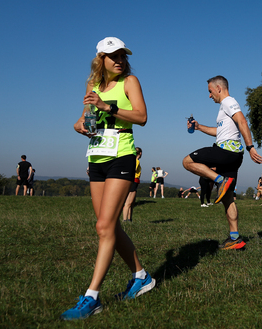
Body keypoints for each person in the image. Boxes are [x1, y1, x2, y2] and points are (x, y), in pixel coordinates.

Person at [62, 37, 155, 320]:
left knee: (104, 226)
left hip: (122, 156)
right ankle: (141, 276)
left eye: (122, 55)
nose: (119, 60)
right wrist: (80, 126)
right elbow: (82, 119)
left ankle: (92, 296)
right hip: (96, 158)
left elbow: (142, 117)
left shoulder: (130, 82)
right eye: (112, 55)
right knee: (109, 226)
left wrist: (109, 108)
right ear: (100, 59)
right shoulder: (92, 87)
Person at [182, 75, 262, 250]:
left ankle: (220, 181)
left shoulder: (228, 101)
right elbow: (220, 131)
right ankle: (235, 238)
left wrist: (251, 147)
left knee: (187, 162)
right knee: (228, 199)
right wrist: (199, 127)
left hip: (226, 152)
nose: (209, 96)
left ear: (219, 88)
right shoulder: (224, 109)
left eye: (210, 91)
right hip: (233, 155)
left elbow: (242, 120)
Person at [123, 147, 142, 222]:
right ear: (140, 153)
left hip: (133, 181)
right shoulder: (136, 161)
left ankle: (129, 219)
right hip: (133, 181)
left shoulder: (131, 160)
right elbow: (132, 170)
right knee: (128, 203)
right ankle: (125, 220)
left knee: (131, 203)